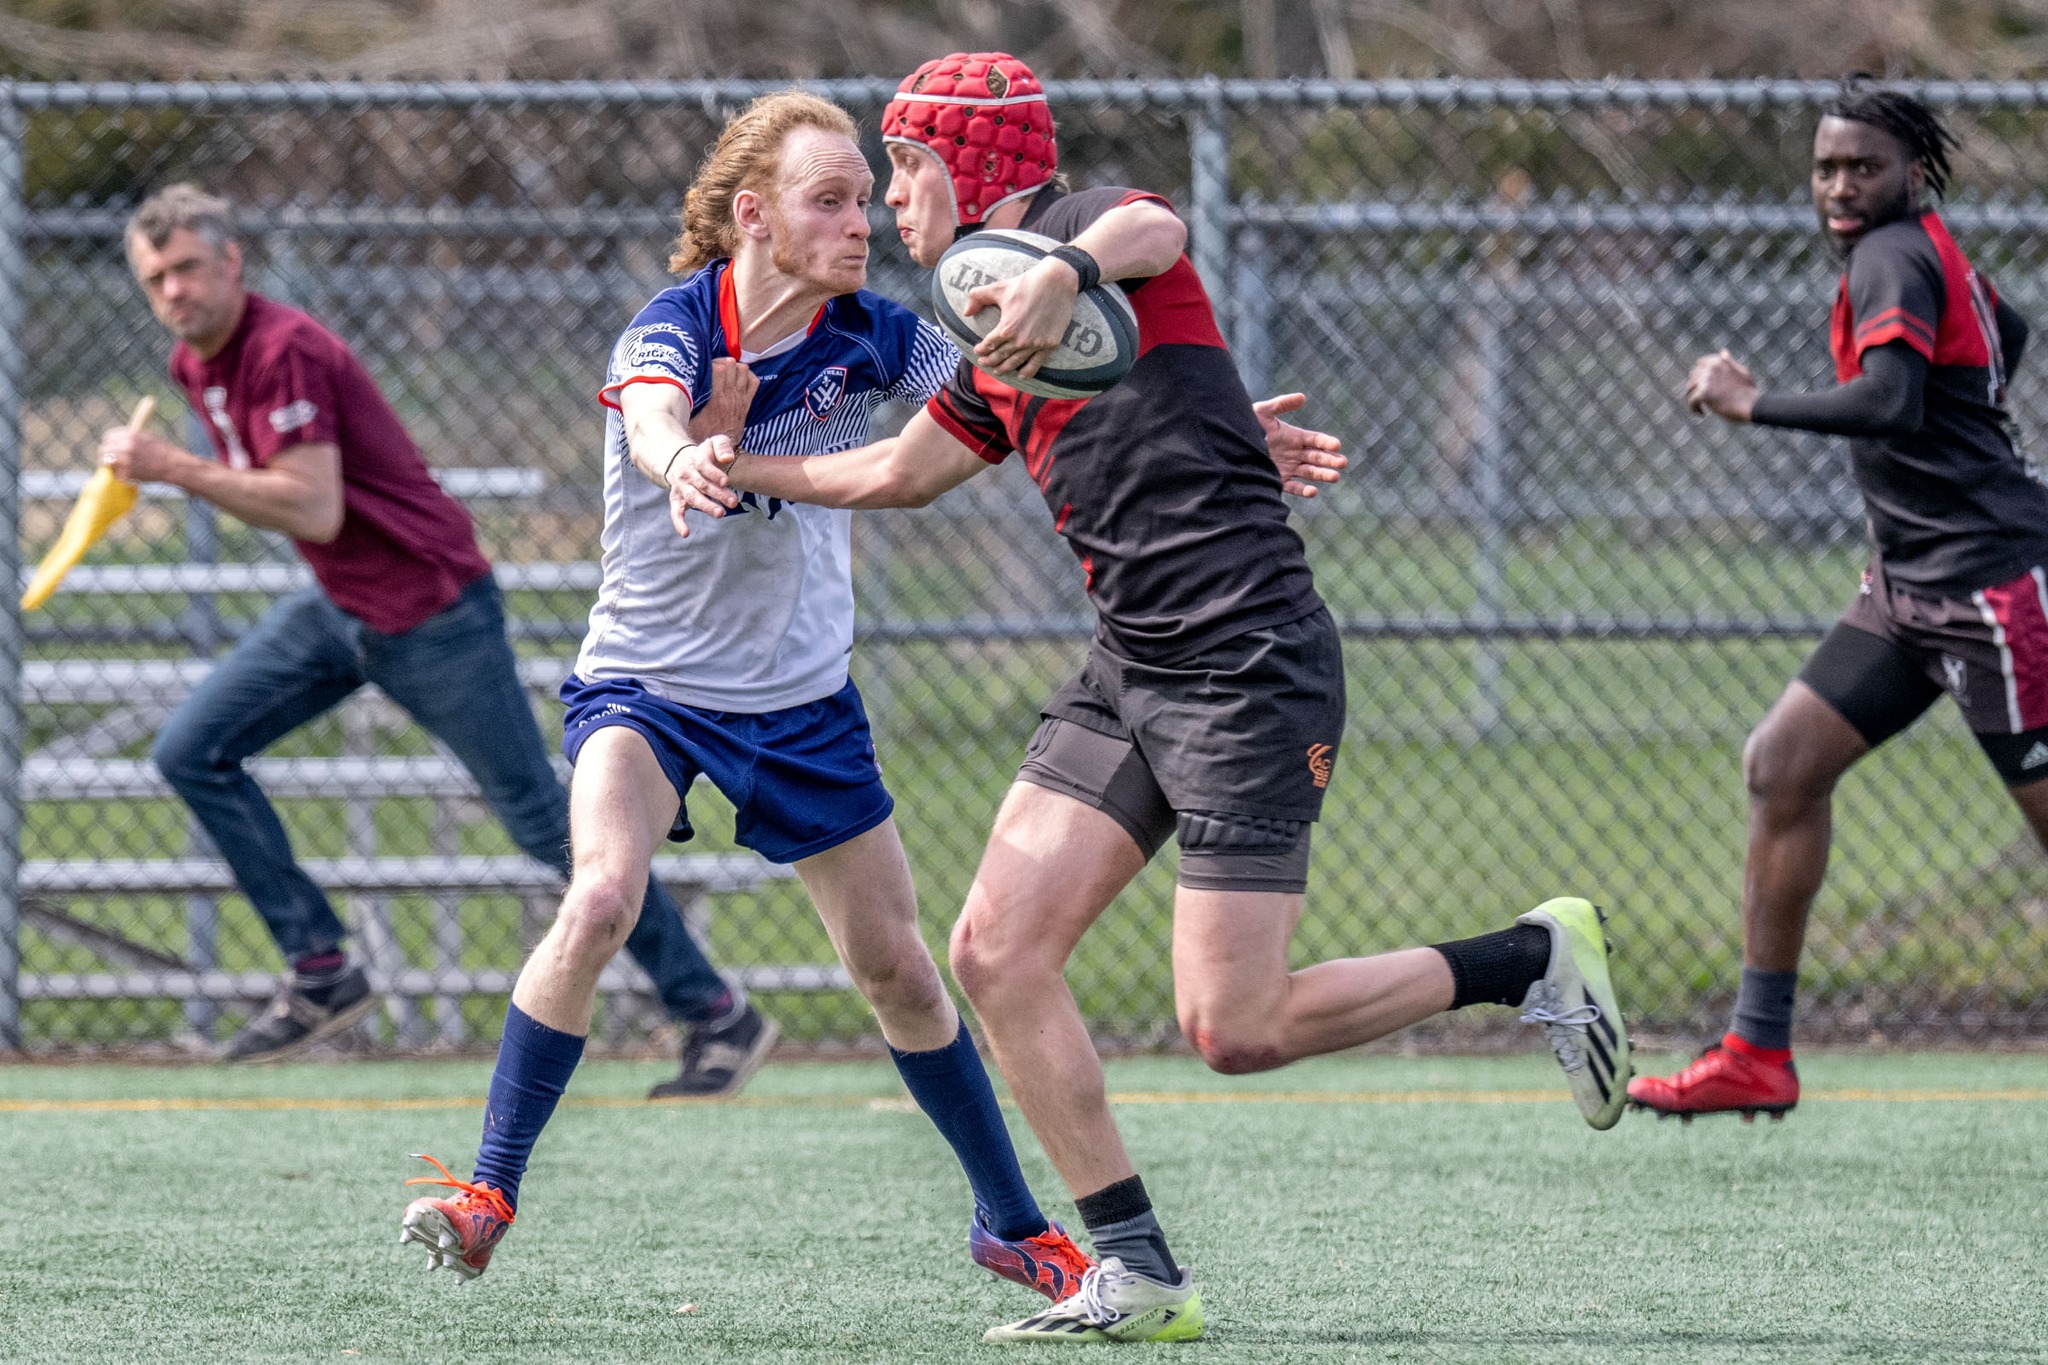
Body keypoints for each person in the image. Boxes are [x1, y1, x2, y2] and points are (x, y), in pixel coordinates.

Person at [668, 52, 1632, 1345]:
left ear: (975, 162)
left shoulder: (1082, 242)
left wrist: (1064, 267)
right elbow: (902, 470)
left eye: (909, 164)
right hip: (1132, 662)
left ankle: (1529, 958)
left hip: (1246, 667)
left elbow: (1151, 228)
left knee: (1235, 1026)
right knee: (994, 953)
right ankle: (1136, 1269)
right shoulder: (991, 324)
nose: (895, 197)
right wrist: (752, 466)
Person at [397, 91, 1103, 1304]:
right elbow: (657, 420)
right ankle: (488, 1189)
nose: (861, 222)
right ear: (752, 217)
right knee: (603, 893)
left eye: (862, 199)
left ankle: (1007, 1221)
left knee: (896, 969)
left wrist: (1203, 424)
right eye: (829, 200)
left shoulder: (877, 337)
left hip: (798, 701)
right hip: (647, 687)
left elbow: (1026, 400)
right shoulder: (669, 327)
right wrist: (687, 456)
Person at [105, 184, 769, 1098]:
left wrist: (172, 469)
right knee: (191, 750)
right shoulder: (194, 363)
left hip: (431, 609)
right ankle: (321, 969)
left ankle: (714, 1011)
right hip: (341, 604)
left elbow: (311, 501)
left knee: (545, 818)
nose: (173, 291)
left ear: (231, 262)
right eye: (155, 279)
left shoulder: (285, 348)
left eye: (186, 268)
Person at [1628, 83, 2048, 1121]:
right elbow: (2007, 330)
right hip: (1904, 592)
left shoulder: (1890, 255)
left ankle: (1755, 1051)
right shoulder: (1920, 251)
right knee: (1781, 765)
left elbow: (1889, 400)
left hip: (1986, 591)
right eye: (1825, 167)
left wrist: (1745, 402)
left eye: (1863, 166)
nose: (1839, 185)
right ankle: (1754, 1053)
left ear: (1912, 171)